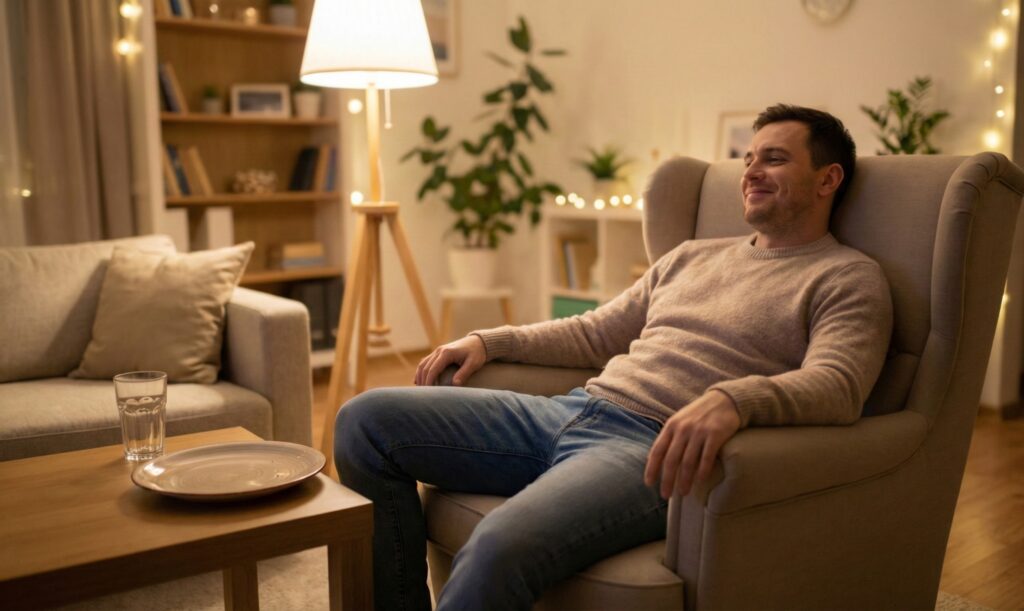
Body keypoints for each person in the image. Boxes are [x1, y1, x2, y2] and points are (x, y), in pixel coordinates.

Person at [334, 104, 893, 611]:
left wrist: (733, 399)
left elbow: (839, 386)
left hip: (647, 451)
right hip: (570, 410)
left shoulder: (847, 277)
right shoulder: (692, 256)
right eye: (748, 158)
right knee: (365, 421)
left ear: (828, 178)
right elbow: (595, 333)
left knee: (499, 544)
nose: (749, 172)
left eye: (773, 159)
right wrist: (491, 340)